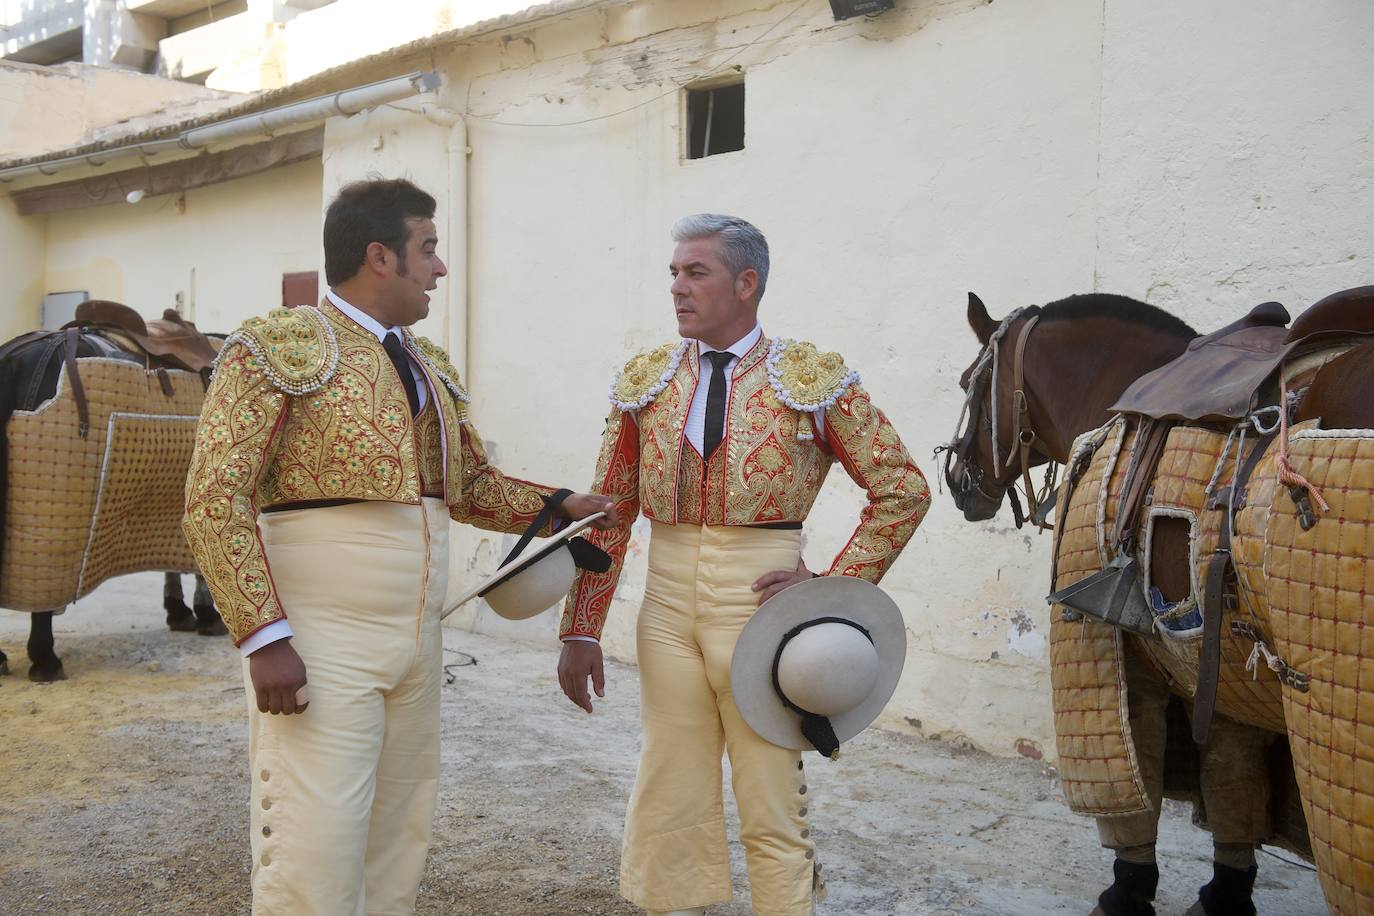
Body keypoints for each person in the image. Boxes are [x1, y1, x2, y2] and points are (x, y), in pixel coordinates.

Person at [183, 177, 615, 915]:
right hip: (321, 640)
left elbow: (468, 486)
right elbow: (212, 500)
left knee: (397, 839)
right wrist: (264, 635)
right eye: (429, 248)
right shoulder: (278, 345)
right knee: (311, 847)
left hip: (417, 638)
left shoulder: (425, 364)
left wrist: (555, 506)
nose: (441, 268)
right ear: (379, 256)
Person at [556, 213, 931, 915]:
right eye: (673, 273)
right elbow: (610, 512)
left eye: (695, 273)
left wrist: (832, 588)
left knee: (769, 796)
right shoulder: (647, 380)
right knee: (668, 787)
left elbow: (903, 490)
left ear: (746, 283)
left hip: (763, 612)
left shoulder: (811, 379)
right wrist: (581, 629)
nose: (677, 288)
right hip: (665, 610)